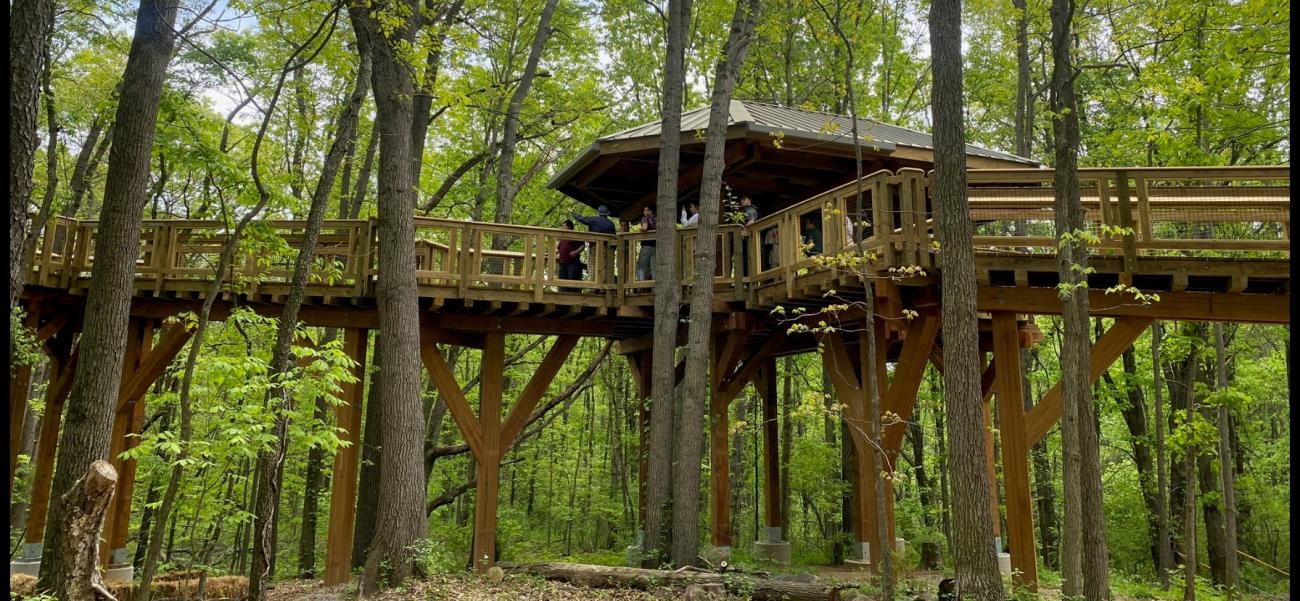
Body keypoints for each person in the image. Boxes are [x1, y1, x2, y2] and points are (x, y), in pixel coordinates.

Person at [556, 220, 584, 292]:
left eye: (564, 226)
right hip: (562, 262)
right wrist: (549, 253)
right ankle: (563, 299)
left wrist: (576, 252)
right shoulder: (563, 237)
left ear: (568, 227)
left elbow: (582, 246)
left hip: (572, 262)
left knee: (573, 279)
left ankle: (574, 298)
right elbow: (558, 249)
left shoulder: (575, 235)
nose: (562, 228)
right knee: (562, 280)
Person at [636, 206, 656, 281]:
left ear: (651, 211)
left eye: (646, 210)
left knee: (641, 265)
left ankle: (640, 285)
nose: (644, 212)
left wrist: (641, 229)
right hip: (656, 245)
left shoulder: (645, 218)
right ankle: (655, 287)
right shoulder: (656, 219)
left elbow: (645, 228)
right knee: (654, 267)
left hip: (646, 245)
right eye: (644, 211)